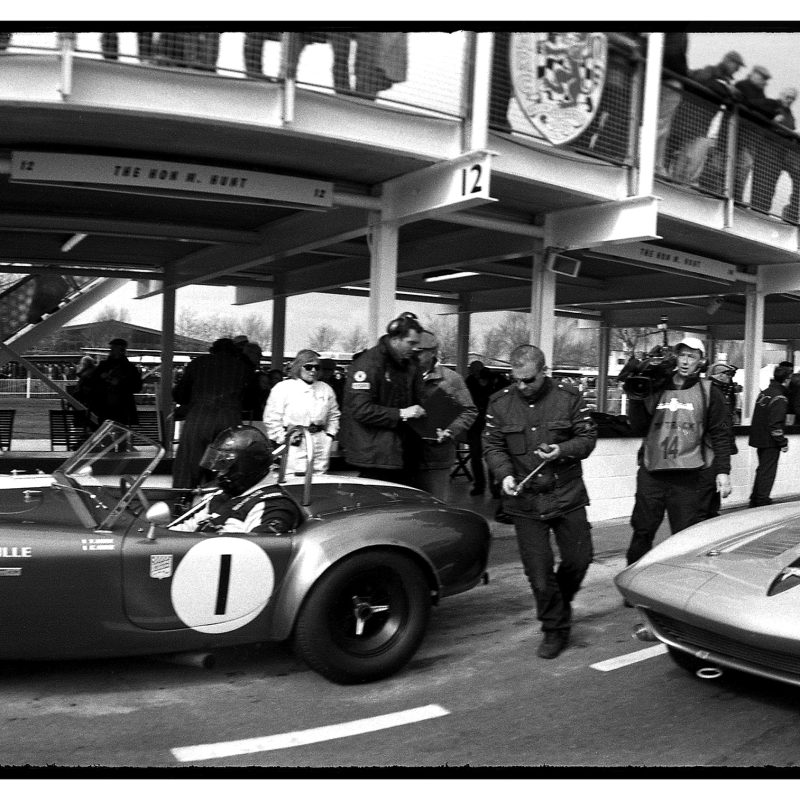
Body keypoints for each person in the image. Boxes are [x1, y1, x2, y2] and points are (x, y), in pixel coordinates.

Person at [483, 344, 597, 659]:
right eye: (515, 379)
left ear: (544, 371)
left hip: (567, 496)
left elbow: (588, 438)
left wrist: (563, 450)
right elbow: (492, 444)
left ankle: (557, 607)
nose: (521, 386)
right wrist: (504, 474)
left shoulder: (569, 396)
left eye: (529, 380)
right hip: (526, 503)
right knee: (539, 573)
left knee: (579, 560)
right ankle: (554, 629)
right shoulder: (500, 403)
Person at [625, 337, 733, 568]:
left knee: (684, 536)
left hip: (688, 474)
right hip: (652, 472)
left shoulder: (709, 392)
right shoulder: (657, 386)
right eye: (682, 355)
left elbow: (721, 434)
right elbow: (639, 426)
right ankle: (633, 583)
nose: (685, 361)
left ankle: (679, 585)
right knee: (642, 530)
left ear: (701, 361)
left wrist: (723, 472)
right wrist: (635, 398)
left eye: (691, 356)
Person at [340, 311, 426, 484]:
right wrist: (401, 413)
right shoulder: (368, 365)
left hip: (402, 451)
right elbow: (361, 410)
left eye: (417, 344)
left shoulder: (409, 364)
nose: (415, 348)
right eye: (411, 343)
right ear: (395, 340)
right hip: (377, 455)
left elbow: (417, 400)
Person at [170, 425, 301, 536]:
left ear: (246, 466)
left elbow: (261, 554)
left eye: (225, 467)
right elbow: (185, 529)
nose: (219, 474)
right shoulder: (222, 495)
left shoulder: (273, 506)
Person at [171, 338, 259, 490]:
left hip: (198, 420)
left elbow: (180, 395)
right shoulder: (243, 367)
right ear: (235, 352)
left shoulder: (198, 363)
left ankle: (181, 504)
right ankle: (216, 507)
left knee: (188, 468)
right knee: (223, 470)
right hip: (229, 422)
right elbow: (252, 401)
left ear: (212, 350)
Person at [410, 331, 477, 502]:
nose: (413, 355)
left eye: (418, 352)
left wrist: (450, 430)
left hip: (436, 458)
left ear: (432, 352)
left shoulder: (451, 379)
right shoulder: (402, 377)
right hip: (405, 456)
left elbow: (469, 410)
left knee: (434, 510)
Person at [669, 51, 745, 185]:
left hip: (701, 125)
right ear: (728, 61)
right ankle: (672, 183)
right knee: (679, 155)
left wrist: (725, 89)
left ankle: (678, 184)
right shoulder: (711, 71)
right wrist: (726, 89)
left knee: (690, 160)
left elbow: (737, 97)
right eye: (736, 65)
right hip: (687, 120)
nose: (737, 69)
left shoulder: (724, 80)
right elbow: (703, 81)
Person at [263, 349, 340, 475]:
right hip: (294, 443)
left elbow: (334, 415)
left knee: (319, 479)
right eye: (308, 367)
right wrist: (283, 438)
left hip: (319, 441)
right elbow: (271, 418)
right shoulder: (284, 388)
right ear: (299, 367)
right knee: (293, 480)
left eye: (316, 367)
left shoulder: (325, 389)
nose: (313, 371)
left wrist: (330, 435)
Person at [748, 362, 793, 508]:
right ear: (787, 379)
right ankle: (762, 501)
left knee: (762, 470)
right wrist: (783, 442)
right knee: (768, 472)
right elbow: (775, 425)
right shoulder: (780, 398)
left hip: (759, 439)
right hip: (770, 442)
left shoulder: (765, 392)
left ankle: (755, 499)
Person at [751, 87, 799, 221]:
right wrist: (773, 120)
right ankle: (757, 213)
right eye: (788, 97)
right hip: (767, 149)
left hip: (782, 152)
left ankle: (768, 213)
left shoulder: (790, 115)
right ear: (781, 94)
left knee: (770, 186)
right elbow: (760, 116)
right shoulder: (772, 105)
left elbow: (791, 130)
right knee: (763, 183)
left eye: (792, 99)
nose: (789, 100)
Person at [87, 338, 143, 429]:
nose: (111, 350)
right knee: (111, 433)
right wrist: (101, 378)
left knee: (115, 433)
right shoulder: (127, 367)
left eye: (114, 348)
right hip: (106, 405)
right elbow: (91, 382)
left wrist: (119, 383)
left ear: (121, 349)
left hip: (119, 407)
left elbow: (136, 387)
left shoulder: (129, 368)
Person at [655, 33, 689, 177]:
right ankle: (654, 163)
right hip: (668, 79)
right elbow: (673, 54)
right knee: (661, 125)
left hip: (662, 77)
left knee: (662, 126)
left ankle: (655, 163)